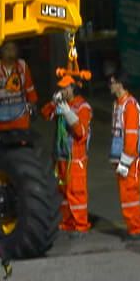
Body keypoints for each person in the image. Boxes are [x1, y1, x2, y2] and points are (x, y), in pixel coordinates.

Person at [43, 49, 91, 233]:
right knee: (63, 192)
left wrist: (68, 113)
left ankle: (80, 225)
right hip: (61, 157)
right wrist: (54, 103)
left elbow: (81, 132)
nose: (62, 90)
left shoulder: (82, 107)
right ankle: (67, 222)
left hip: (76, 158)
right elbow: (45, 115)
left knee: (76, 193)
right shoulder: (62, 104)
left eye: (65, 88)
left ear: (73, 88)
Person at [107, 68, 140, 237]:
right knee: (129, 196)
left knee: (129, 196)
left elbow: (131, 137)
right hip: (124, 158)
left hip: (130, 160)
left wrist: (125, 161)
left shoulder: (129, 106)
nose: (109, 85)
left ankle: (136, 230)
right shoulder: (119, 104)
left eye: (112, 82)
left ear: (120, 84)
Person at [0, 40, 36, 137]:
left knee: (21, 141)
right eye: (7, 49)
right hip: (1, 114)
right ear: (1, 50)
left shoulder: (22, 66)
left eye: (13, 49)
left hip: (21, 114)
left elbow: (29, 88)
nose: (10, 52)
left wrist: (32, 106)